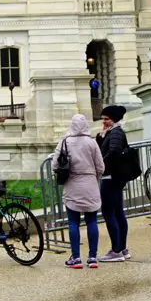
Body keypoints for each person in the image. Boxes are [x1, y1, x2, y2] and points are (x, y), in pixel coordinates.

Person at [51, 114, 104, 269]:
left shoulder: (65, 142)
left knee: (73, 222)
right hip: (90, 184)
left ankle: (76, 257)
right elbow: (100, 166)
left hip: (72, 184)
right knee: (92, 220)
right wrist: (95, 177)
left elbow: (55, 165)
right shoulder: (92, 142)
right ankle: (92, 257)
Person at [97, 104, 131, 262]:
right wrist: (101, 136)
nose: (103, 122)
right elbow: (104, 148)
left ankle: (116, 250)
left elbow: (114, 152)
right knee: (118, 212)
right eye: (102, 119)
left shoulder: (116, 132)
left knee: (109, 212)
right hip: (115, 177)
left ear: (114, 119)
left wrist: (101, 165)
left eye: (107, 119)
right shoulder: (112, 131)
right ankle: (122, 248)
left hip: (111, 177)